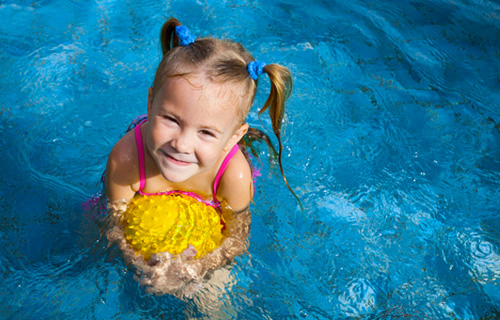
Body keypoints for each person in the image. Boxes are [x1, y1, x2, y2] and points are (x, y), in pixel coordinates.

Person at [104, 17, 295, 298]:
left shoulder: (234, 175)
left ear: (233, 137)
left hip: (202, 246)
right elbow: (114, 224)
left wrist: (196, 269)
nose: (181, 144)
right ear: (150, 103)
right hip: (148, 236)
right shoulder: (127, 159)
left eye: (205, 132)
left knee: (215, 296)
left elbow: (236, 240)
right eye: (170, 119)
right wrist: (140, 263)